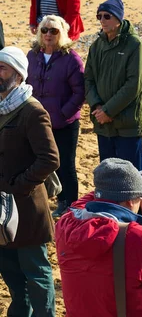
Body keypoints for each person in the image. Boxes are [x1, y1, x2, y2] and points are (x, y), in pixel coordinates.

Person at [55, 158, 142, 316]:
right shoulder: (137, 237)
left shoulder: (66, 223)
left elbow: (85, 201)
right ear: (131, 201)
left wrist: (141, 177)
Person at [0, 46, 60, 316]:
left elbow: (49, 159)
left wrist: (18, 186)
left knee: (36, 272)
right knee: (10, 272)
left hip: (26, 208)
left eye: (2, 68)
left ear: (19, 75)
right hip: (1, 211)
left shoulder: (32, 111)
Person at [27, 15, 85, 218]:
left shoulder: (71, 58)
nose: (48, 35)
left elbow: (80, 92)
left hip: (64, 124)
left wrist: (63, 113)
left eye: (54, 31)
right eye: (44, 30)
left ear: (62, 33)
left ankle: (69, 204)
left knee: (65, 164)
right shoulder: (32, 56)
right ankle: (43, 201)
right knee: (39, 162)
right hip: (37, 122)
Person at [84, 0, 142, 170]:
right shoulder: (97, 46)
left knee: (134, 177)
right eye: (99, 17)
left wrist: (108, 110)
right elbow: (88, 79)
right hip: (103, 124)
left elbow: (134, 84)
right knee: (109, 177)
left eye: (107, 16)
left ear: (119, 19)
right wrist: (97, 107)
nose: (102, 21)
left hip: (127, 124)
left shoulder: (135, 45)